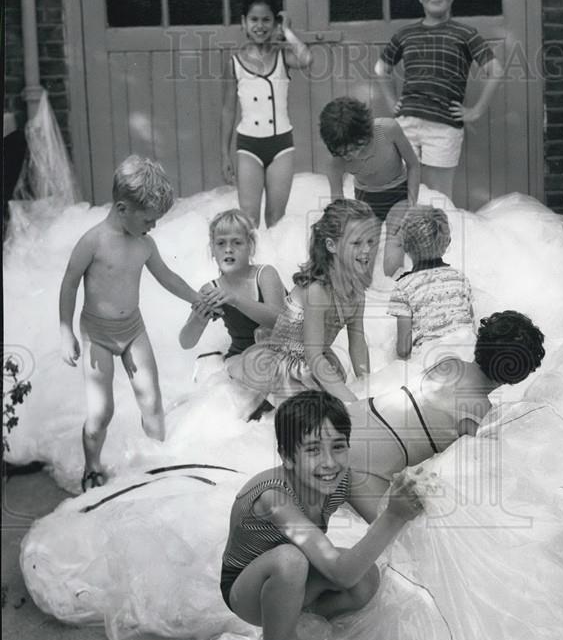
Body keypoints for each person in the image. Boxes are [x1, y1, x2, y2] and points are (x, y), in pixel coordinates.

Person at [220, 390, 425, 640]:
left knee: (366, 579)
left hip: (297, 584)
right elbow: (341, 566)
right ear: (287, 456)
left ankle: (298, 632)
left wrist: (413, 498)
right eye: (313, 450)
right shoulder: (275, 497)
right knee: (292, 561)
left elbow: (380, 523)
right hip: (248, 591)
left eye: (338, 447)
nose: (329, 462)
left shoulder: (342, 478)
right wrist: (395, 515)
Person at [58, 155, 202, 491]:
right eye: (149, 220)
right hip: (98, 333)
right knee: (100, 412)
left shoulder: (144, 244)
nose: (153, 227)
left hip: (133, 331)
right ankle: (92, 465)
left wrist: (195, 297)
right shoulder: (93, 241)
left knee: (151, 400)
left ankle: (157, 461)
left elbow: (167, 277)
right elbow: (69, 282)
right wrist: (66, 332)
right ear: (123, 209)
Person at [347, 310, 545, 513]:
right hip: (368, 465)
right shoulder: (480, 414)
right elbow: (479, 473)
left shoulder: (449, 363)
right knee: (400, 537)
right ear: (516, 377)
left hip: (351, 417)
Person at [227, 198, 380, 406]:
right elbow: (314, 357)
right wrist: (353, 403)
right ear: (331, 245)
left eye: (370, 241)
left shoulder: (356, 292)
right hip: (284, 367)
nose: (366, 250)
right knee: (311, 410)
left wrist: (367, 388)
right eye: (356, 243)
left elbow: (358, 344)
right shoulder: (317, 291)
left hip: (315, 362)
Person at [374, 0, 504, 202]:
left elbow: (495, 70)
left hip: (443, 127)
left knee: (438, 196)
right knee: (402, 190)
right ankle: (406, 237)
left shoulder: (465, 34)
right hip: (407, 123)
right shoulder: (406, 34)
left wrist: (475, 110)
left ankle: (441, 238)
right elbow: (381, 68)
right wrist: (393, 101)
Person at [221, 0, 312, 228]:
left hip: (281, 145)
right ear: (244, 22)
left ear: (274, 23)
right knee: (248, 219)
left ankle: (274, 265)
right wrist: (224, 153)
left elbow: (307, 58)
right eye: (254, 19)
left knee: (276, 218)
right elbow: (228, 110)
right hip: (249, 146)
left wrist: (288, 31)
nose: (259, 26)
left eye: (266, 20)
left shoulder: (283, 56)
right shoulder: (235, 63)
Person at [319, 97, 420, 276]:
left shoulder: (387, 130)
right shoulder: (335, 160)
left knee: (392, 256)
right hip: (365, 200)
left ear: (366, 134)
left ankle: (398, 290)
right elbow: (338, 202)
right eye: (345, 153)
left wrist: (412, 206)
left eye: (358, 147)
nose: (353, 155)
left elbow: (413, 164)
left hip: (399, 194)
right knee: (362, 264)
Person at [178, 208, 285, 363]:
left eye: (237, 242)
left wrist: (236, 299)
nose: (228, 249)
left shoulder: (265, 274)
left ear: (250, 246)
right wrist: (199, 320)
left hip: (281, 353)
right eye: (221, 243)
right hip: (241, 357)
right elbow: (186, 343)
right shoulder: (211, 289)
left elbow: (279, 322)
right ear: (213, 250)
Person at [387, 207, 474, 359]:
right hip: (468, 354)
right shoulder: (460, 278)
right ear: (447, 242)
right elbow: (472, 327)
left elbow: (403, 349)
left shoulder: (403, 288)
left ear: (405, 246)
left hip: (431, 361)